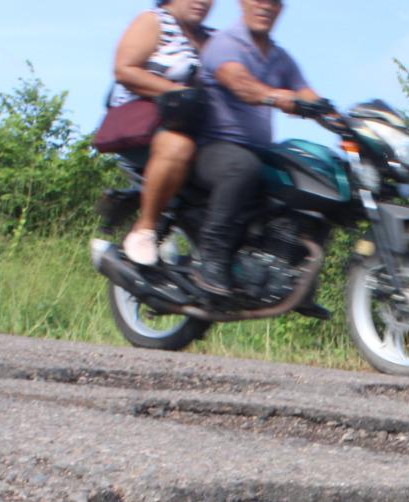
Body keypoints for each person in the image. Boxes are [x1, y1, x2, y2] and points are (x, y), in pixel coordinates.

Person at [193, 0, 321, 296]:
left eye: (273, 2)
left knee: (302, 179)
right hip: (214, 149)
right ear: (242, 3)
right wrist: (278, 97)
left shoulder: (279, 57)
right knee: (243, 166)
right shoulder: (224, 43)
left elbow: (307, 93)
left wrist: (344, 123)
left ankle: (286, 275)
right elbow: (241, 83)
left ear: (281, 9)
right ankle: (210, 257)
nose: (265, 6)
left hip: (257, 152)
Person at [110, 0, 214, 267]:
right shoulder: (155, 21)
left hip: (201, 134)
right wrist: (176, 91)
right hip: (149, 128)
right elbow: (125, 69)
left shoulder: (213, 38)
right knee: (178, 146)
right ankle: (145, 228)